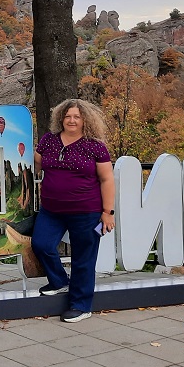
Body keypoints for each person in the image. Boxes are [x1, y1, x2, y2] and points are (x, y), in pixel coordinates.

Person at [30, 98, 116, 323]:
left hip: (86, 212)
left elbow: (107, 179)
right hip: (51, 210)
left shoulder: (95, 146)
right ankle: (59, 281)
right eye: (68, 116)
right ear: (61, 118)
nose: (72, 120)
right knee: (41, 244)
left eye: (77, 116)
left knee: (83, 259)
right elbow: (36, 163)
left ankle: (81, 305)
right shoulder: (49, 141)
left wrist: (108, 212)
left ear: (84, 120)